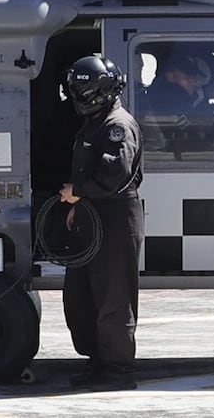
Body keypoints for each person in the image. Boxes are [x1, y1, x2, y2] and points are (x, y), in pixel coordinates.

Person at [59, 55, 144, 391]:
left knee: (113, 299)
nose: (80, 96)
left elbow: (114, 176)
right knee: (81, 298)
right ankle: (98, 363)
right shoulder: (95, 120)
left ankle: (118, 373)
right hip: (91, 216)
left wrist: (77, 191)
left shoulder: (116, 126)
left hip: (115, 219)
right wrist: (77, 205)